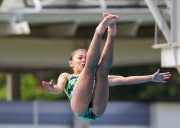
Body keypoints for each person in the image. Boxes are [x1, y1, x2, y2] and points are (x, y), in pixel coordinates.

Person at [42, 13, 171, 121]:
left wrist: (151, 78)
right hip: (81, 108)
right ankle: (98, 32)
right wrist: (52, 88)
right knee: (91, 70)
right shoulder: (67, 76)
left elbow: (125, 80)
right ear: (71, 63)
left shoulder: (94, 74)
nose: (83, 60)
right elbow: (59, 89)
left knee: (102, 72)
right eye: (80, 58)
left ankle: (111, 33)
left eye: (86, 57)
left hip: (97, 110)